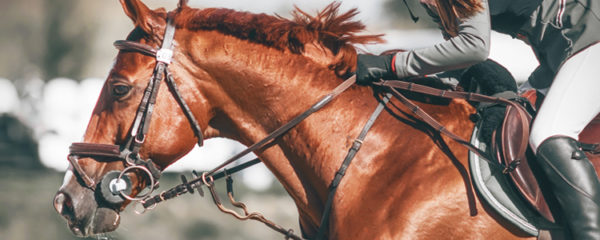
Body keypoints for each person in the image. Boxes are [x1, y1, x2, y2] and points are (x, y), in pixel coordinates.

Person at [356, 0, 600, 238]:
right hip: (561, 52)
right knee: (515, 120)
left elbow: (474, 47)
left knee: (549, 135)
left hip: (590, 40)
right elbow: (457, 58)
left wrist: (392, 64)